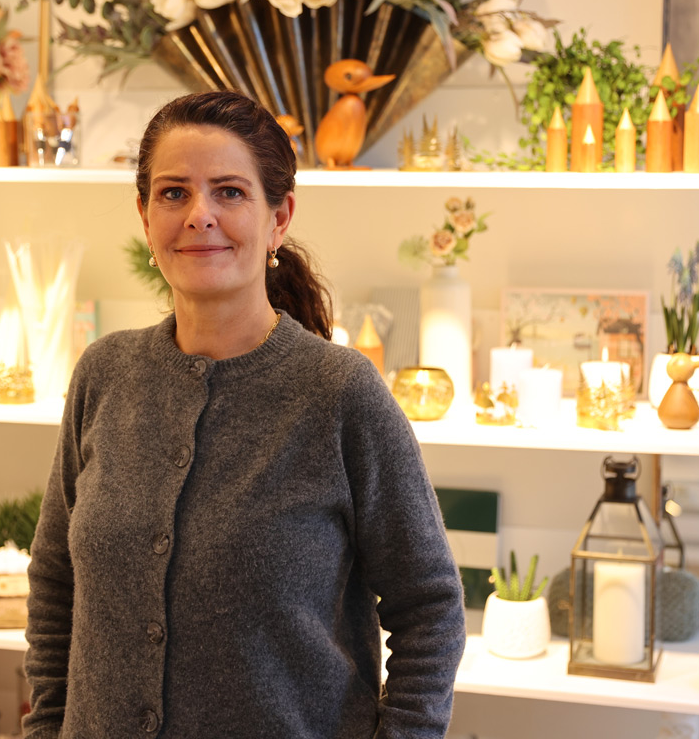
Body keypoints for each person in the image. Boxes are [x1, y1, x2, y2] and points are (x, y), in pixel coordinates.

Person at [23, 90, 466, 739]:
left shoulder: (339, 392)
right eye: (173, 193)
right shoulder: (104, 374)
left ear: (278, 218)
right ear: (145, 216)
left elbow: (428, 608)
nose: (199, 215)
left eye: (229, 192)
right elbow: (54, 584)